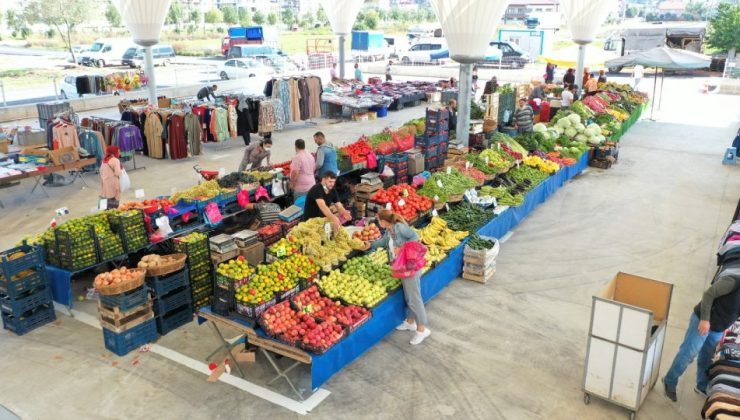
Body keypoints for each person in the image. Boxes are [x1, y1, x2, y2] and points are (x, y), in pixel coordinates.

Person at [663, 259, 740, 401]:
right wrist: (705, 319)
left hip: (718, 327)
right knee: (689, 354)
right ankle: (669, 381)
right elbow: (709, 294)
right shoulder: (733, 281)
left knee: (707, 357)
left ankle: (701, 385)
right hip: (703, 321)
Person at [369, 209, 431, 345]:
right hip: (402, 268)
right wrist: (369, 245)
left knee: (414, 299)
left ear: (384, 221)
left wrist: (402, 248)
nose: (378, 223)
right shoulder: (389, 231)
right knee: (409, 296)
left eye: (379, 220)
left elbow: (415, 237)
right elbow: (383, 242)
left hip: (410, 268)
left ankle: (422, 330)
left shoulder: (400, 228)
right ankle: (410, 322)